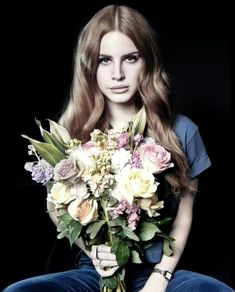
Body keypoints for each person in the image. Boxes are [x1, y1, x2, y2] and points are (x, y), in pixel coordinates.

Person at [4, 4, 234, 292]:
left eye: (130, 58)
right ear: (89, 65)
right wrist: (93, 252)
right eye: (104, 60)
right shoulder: (71, 131)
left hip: (161, 271)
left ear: (147, 61)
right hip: (96, 271)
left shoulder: (181, 130)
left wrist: (160, 279)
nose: (117, 74)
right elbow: (55, 205)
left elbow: (185, 215)